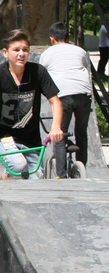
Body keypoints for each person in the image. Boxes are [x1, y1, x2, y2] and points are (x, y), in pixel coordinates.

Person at [0, 29, 64, 178]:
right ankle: (7, 175)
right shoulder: (1, 74)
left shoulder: (38, 72)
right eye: (16, 50)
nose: (21, 54)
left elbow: (55, 102)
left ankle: (7, 181)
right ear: (5, 52)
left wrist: (56, 127)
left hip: (30, 139)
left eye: (25, 50)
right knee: (18, 165)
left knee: (36, 180)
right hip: (5, 137)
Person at [38, 22, 93, 177]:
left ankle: (61, 175)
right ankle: (82, 167)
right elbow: (84, 67)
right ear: (68, 37)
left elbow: (41, 73)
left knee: (59, 134)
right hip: (83, 94)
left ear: (52, 38)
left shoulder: (47, 53)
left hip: (62, 95)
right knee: (81, 132)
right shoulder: (80, 51)